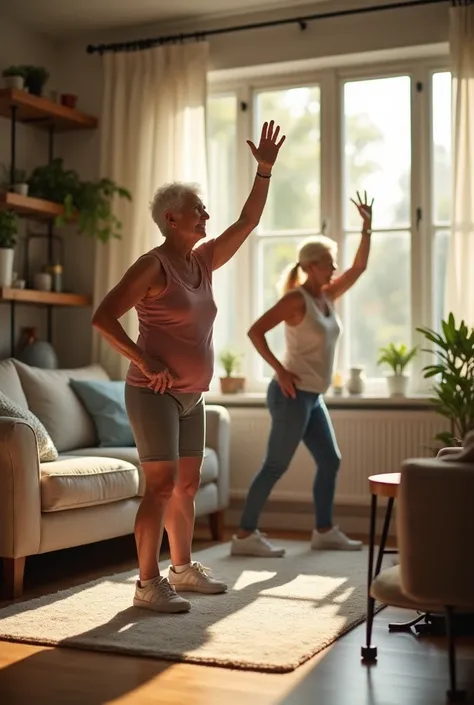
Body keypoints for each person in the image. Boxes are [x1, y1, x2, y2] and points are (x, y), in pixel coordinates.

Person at [92, 120, 285, 613]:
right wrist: (143, 357)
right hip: (152, 393)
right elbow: (103, 317)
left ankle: (181, 569)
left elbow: (247, 222)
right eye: (198, 210)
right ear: (172, 218)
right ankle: (147, 583)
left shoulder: (202, 261)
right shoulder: (152, 265)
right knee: (158, 486)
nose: (206, 215)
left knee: (186, 485)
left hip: (193, 395)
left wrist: (263, 171)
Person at [231, 192, 374, 558]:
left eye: (333, 263)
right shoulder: (296, 300)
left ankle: (324, 529)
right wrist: (279, 370)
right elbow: (255, 331)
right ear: (310, 266)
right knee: (276, 464)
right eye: (328, 263)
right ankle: (245, 534)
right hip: (292, 395)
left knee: (330, 461)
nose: (334, 268)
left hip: (314, 396)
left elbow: (358, 269)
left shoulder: (327, 295)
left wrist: (367, 228)